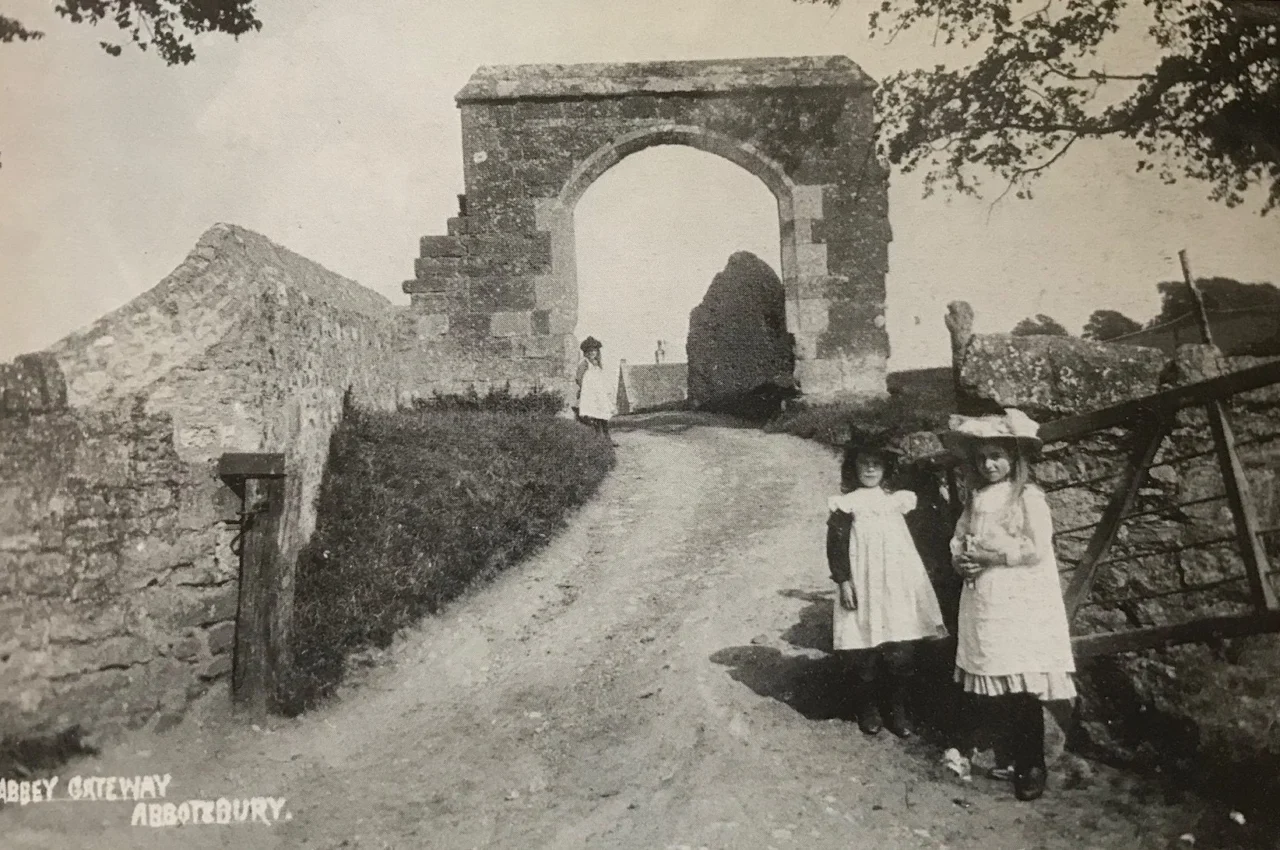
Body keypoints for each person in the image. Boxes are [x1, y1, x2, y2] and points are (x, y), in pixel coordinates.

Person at [939, 408, 1077, 802]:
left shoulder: (1027, 497)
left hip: (1017, 598)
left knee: (1020, 679)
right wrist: (960, 559)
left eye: (997, 456)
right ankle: (1004, 754)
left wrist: (992, 557)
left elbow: (1037, 547)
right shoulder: (976, 499)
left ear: (1014, 459)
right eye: (982, 458)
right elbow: (959, 536)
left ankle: (1032, 763)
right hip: (985, 598)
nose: (989, 465)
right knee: (992, 673)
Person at [826, 433, 948, 738]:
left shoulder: (898, 501)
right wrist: (843, 580)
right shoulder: (846, 505)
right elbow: (836, 546)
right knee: (864, 649)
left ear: (886, 468)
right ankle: (868, 708)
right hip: (863, 581)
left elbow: (917, 538)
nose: (870, 469)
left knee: (900, 648)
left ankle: (898, 708)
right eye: (863, 463)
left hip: (896, 582)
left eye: (876, 464)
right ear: (853, 468)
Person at [574, 336, 615, 441]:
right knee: (594, 414)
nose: (592, 353)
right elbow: (579, 377)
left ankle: (607, 437)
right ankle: (598, 436)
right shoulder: (584, 363)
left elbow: (600, 378)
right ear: (585, 353)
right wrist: (584, 389)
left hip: (599, 392)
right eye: (589, 351)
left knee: (603, 413)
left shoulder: (597, 364)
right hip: (590, 393)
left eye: (594, 351)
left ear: (597, 352)